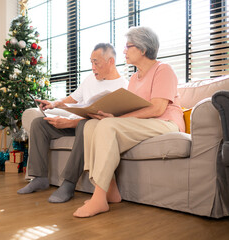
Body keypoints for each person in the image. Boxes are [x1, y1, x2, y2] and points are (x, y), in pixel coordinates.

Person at [73, 26, 185, 217]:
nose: (123, 51)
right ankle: (110, 191)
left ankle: (98, 198)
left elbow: (158, 108)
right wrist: (110, 114)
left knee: (107, 125)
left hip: (165, 122)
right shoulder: (134, 77)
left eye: (128, 46)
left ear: (142, 49)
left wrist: (117, 119)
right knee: (92, 125)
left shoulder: (163, 70)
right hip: (144, 123)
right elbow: (131, 107)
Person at [17, 43, 128, 203]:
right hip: (78, 123)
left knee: (85, 126)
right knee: (39, 124)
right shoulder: (91, 79)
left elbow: (108, 121)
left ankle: (68, 184)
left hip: (93, 128)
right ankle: (39, 178)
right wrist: (53, 104)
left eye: (96, 62)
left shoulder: (122, 86)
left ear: (111, 62)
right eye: (91, 62)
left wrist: (69, 123)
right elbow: (73, 98)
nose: (93, 67)